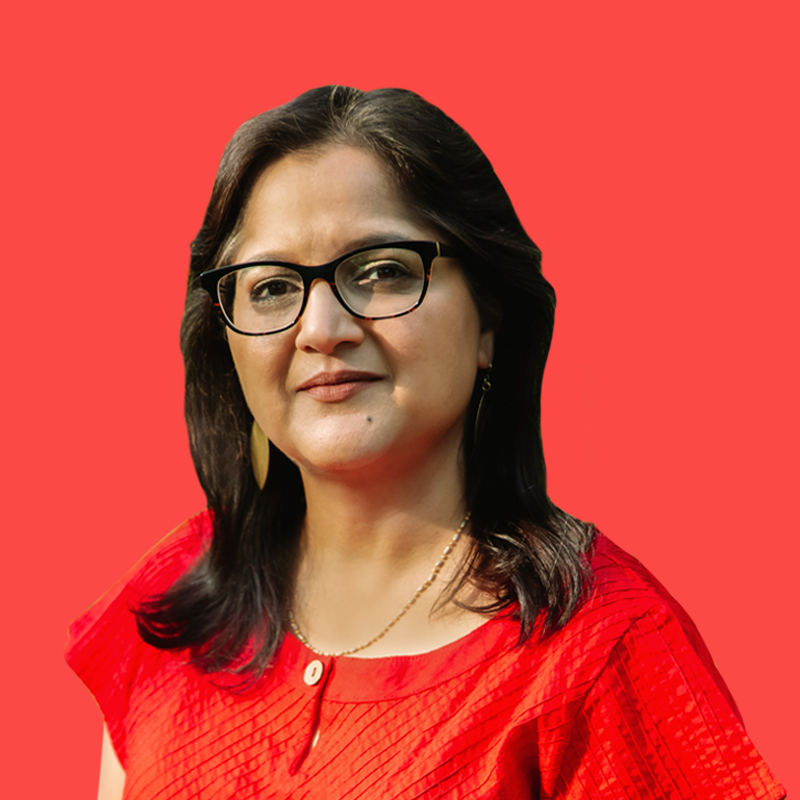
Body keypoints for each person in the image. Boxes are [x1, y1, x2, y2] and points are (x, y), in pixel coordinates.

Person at [65, 86, 786, 800]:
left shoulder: (603, 650)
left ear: (489, 321)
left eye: (381, 272)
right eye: (272, 287)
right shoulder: (170, 604)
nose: (321, 329)